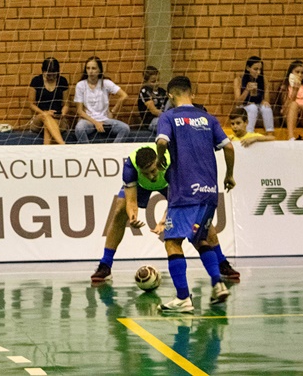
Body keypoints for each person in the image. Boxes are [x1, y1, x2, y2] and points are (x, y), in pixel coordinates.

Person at [91, 145, 240, 283]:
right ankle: (105, 265)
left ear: (159, 163)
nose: (151, 176)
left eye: (153, 171)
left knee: (199, 218)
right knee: (119, 211)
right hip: (141, 187)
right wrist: (132, 217)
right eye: (146, 173)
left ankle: (221, 262)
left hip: (170, 183)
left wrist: (163, 220)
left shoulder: (172, 164)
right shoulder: (130, 167)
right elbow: (131, 202)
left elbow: (177, 202)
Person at [156, 76, 235, 313]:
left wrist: (160, 159)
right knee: (201, 239)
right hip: (209, 192)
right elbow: (229, 147)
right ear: (192, 93)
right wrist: (229, 176)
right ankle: (218, 284)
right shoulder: (209, 118)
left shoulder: (168, 117)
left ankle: (183, 298)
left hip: (184, 192)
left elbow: (162, 142)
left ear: (170, 95)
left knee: (172, 242)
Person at [74, 56, 130, 143]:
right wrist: (96, 123)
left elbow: (124, 96)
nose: (91, 71)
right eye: (88, 68)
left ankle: (113, 149)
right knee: (79, 128)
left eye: (94, 68)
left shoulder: (106, 83)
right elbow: (80, 111)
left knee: (125, 128)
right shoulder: (80, 85)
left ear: (99, 70)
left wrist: (113, 111)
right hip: (88, 120)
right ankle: (87, 150)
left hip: (105, 119)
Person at [27, 57, 71, 145]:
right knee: (46, 117)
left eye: (54, 75)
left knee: (48, 125)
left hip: (58, 119)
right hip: (40, 118)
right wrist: (45, 112)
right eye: (48, 75)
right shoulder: (36, 81)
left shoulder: (62, 81)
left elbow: (66, 104)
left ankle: (47, 149)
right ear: (43, 71)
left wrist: (62, 114)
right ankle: (62, 144)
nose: (51, 78)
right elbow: (31, 104)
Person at [233, 56, 274, 135]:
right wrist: (246, 90)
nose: (258, 72)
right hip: (243, 107)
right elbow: (237, 102)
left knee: (267, 108)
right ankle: (249, 133)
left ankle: (270, 133)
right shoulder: (239, 80)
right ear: (248, 68)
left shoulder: (263, 79)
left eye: (260, 69)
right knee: (252, 107)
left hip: (258, 106)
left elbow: (267, 100)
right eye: (255, 69)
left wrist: (263, 101)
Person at [277, 60, 303, 140]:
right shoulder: (285, 86)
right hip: (289, 115)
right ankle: (291, 136)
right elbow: (286, 106)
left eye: (302, 73)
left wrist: (301, 107)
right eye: (297, 72)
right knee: (294, 104)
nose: (300, 75)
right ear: (291, 73)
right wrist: (295, 90)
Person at [138, 66, 168, 132]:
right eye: (153, 81)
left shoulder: (163, 91)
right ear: (146, 81)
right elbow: (153, 111)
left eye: (158, 80)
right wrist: (169, 117)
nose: (157, 83)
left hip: (163, 117)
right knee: (167, 124)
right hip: (151, 121)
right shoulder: (144, 91)